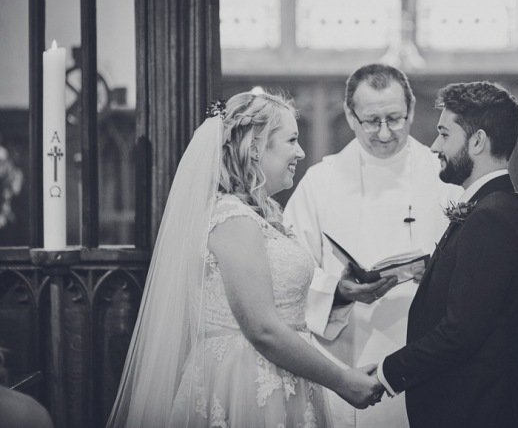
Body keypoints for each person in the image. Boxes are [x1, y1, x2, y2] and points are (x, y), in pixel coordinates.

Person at [107, 92, 384, 427]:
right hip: (245, 383)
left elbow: (280, 303)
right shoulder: (232, 218)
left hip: (284, 376)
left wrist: (340, 294)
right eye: (292, 140)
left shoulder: (263, 215)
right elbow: (263, 328)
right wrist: (342, 381)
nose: (301, 152)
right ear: (255, 147)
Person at [284, 64, 461, 428]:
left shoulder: (445, 176)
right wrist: (339, 291)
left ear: (411, 111)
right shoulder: (321, 182)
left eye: (395, 119)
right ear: (350, 116)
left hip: (431, 353)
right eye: (371, 120)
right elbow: (288, 273)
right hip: (347, 354)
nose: (384, 132)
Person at [375, 81, 518, 427]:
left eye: (445, 135)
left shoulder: (490, 217)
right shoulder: (489, 207)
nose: (435, 146)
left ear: (477, 141)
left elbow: (460, 333)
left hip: (478, 411)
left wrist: (385, 374)